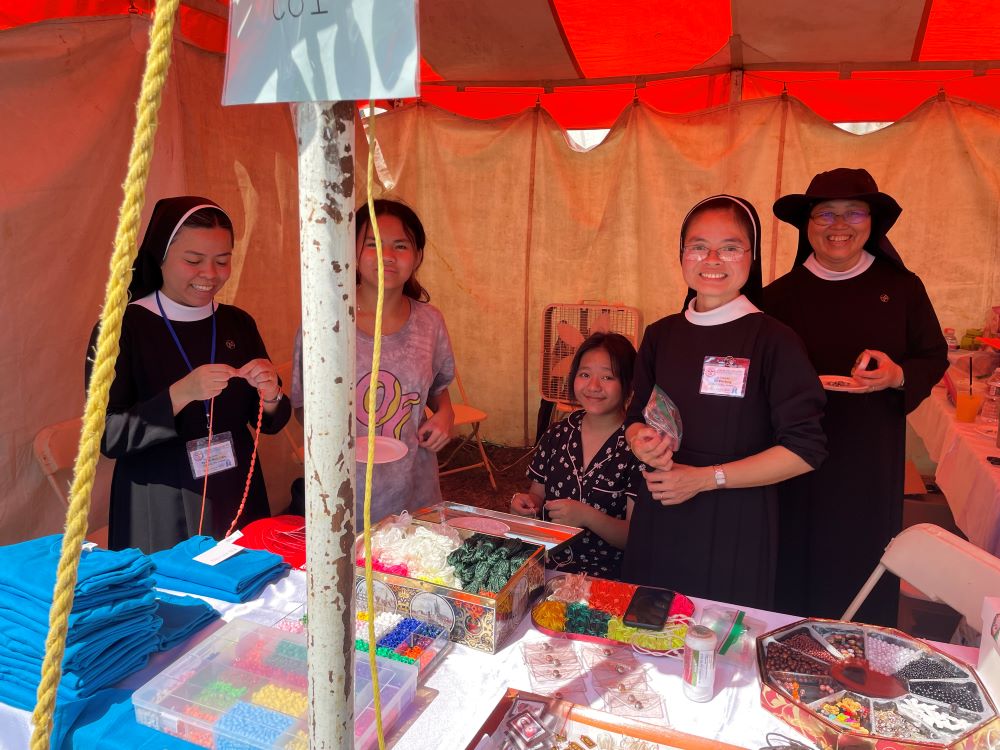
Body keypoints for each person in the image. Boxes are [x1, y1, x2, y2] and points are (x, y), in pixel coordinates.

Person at [621, 195, 827, 610]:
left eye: (730, 247)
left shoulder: (774, 341)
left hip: (735, 521)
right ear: (682, 255)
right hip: (661, 510)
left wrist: (703, 478)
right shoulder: (662, 335)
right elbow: (635, 416)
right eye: (698, 246)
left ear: (751, 257)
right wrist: (640, 438)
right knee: (649, 629)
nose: (712, 259)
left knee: (716, 640)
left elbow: (805, 450)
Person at [762, 168, 948, 625]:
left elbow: (933, 355)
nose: (838, 225)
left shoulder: (902, 289)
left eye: (853, 212)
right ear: (807, 224)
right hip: (793, 458)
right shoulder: (777, 298)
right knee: (792, 559)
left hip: (869, 455)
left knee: (862, 560)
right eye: (825, 213)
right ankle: (787, 646)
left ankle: (862, 658)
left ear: (872, 222)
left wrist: (897, 375)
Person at [87, 196, 291, 553]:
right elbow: (107, 436)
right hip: (158, 503)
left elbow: (269, 423)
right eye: (193, 261)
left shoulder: (237, 323)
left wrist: (271, 394)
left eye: (222, 260)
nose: (209, 274)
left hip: (236, 492)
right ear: (161, 257)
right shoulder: (121, 328)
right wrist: (181, 393)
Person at [291, 199, 455, 523]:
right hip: (342, 490)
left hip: (414, 488)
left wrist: (446, 416)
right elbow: (302, 408)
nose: (387, 257)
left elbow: (438, 391)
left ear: (417, 256)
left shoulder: (429, 322)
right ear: (351, 251)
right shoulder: (326, 322)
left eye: (400, 246)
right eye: (373, 244)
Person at [510, 332, 639, 580]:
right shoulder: (557, 433)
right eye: (585, 374)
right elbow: (537, 494)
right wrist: (525, 504)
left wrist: (587, 516)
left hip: (608, 578)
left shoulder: (638, 446)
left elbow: (634, 537)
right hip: (548, 569)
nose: (593, 386)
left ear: (629, 384)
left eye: (607, 377)